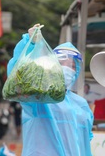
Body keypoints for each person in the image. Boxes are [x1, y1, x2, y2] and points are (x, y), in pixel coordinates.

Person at [7, 24, 93, 156]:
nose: (67, 69)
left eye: (72, 66)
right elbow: (18, 75)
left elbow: (85, 144)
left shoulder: (81, 105)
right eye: (61, 63)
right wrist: (29, 43)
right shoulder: (39, 99)